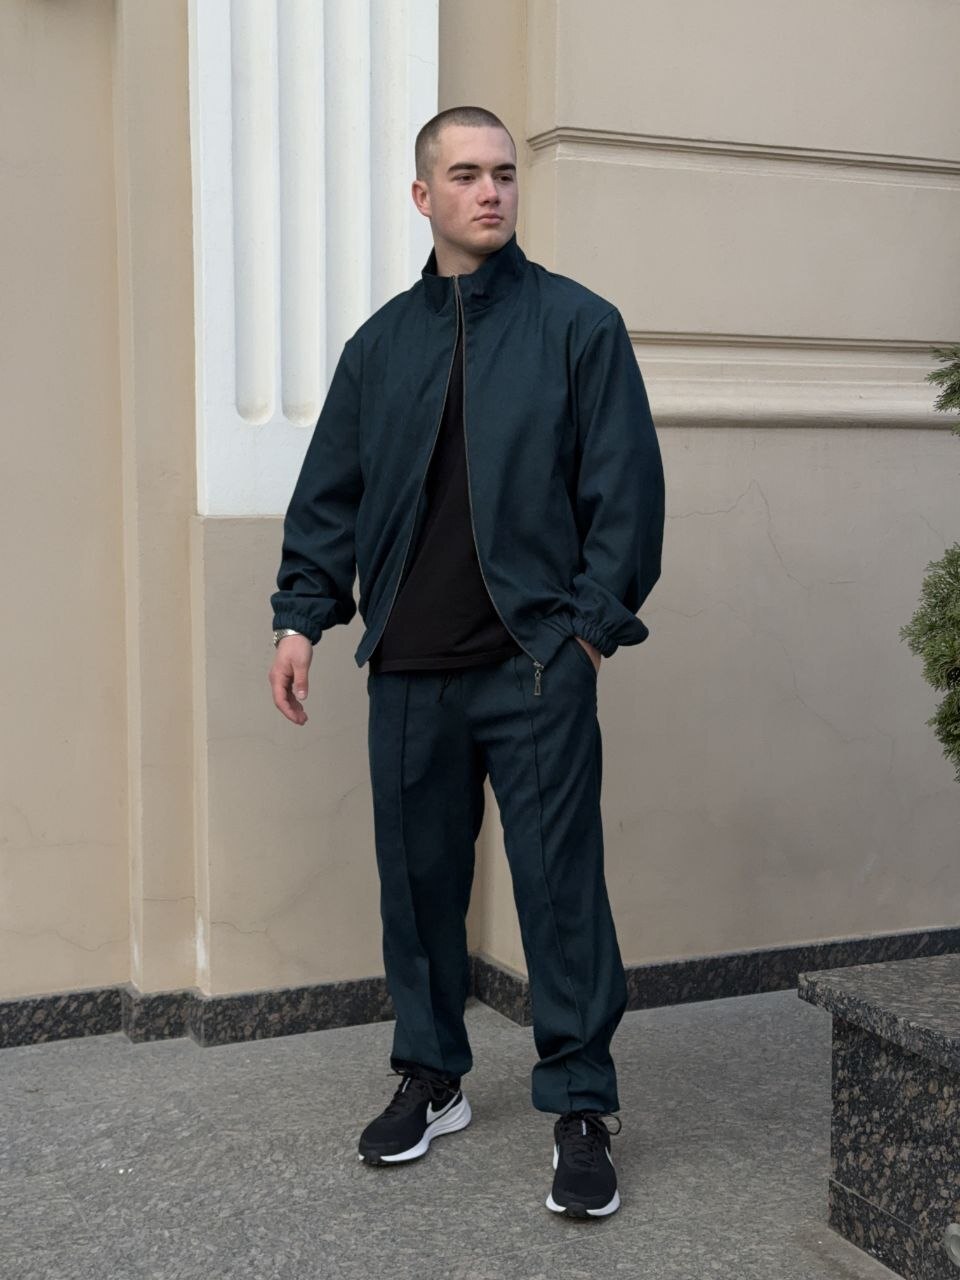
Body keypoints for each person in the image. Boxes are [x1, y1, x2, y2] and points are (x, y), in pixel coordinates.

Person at [268, 105, 665, 1219]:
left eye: (503, 173)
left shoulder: (579, 326)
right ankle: (431, 1075)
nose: (490, 191)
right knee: (419, 887)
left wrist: (584, 635)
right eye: (465, 175)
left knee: (559, 891)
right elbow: (329, 497)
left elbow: (627, 495)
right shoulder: (379, 348)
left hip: (533, 665)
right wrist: (301, 618)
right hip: (407, 668)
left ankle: (581, 1106)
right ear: (423, 196)